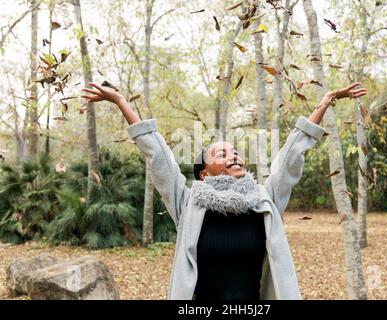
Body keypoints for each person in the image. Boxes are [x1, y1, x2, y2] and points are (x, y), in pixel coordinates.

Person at [81, 82, 368, 300]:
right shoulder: (189, 205)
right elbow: (159, 155)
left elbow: (290, 158)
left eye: (235, 152)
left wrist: (325, 102)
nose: (233, 156)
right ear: (204, 174)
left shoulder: (263, 201)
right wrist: (120, 101)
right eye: (221, 154)